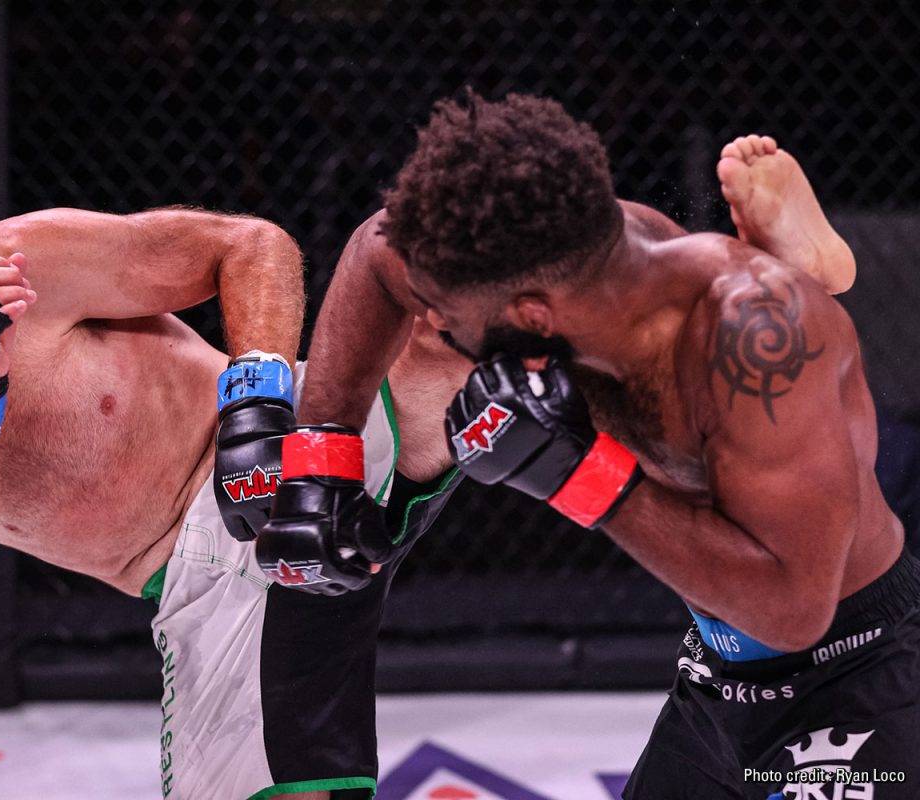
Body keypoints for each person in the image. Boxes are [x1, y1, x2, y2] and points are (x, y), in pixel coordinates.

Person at [272, 92, 917, 800]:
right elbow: (381, 246)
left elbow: (795, 614)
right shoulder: (564, 263)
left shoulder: (756, 342)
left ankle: (797, 268)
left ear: (532, 314)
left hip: (855, 672)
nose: (430, 319)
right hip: (716, 679)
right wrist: (320, 461)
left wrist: (578, 475)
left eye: (446, 311)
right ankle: (798, 259)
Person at [0, 204, 466, 800]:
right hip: (201, 583)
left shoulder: (21, 264)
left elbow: (250, 245)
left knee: (465, 307)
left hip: (293, 439)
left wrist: (255, 407)